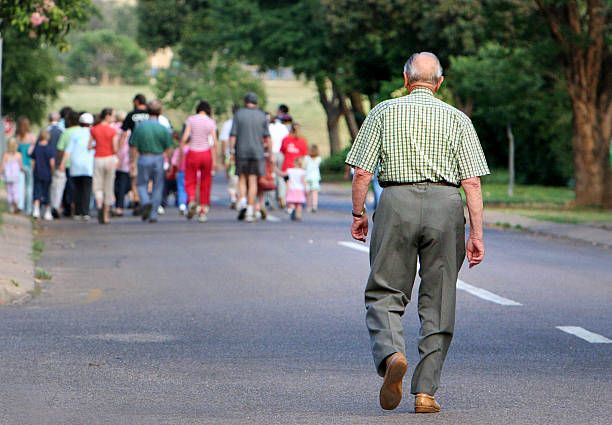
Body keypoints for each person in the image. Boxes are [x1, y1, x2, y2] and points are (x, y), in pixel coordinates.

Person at [345, 52, 490, 413]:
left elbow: (362, 172)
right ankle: (425, 393)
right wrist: (476, 234)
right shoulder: (458, 119)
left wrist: (359, 212)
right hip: (446, 206)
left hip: (396, 203)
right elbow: (471, 182)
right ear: (439, 83)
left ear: (406, 79)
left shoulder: (382, 112)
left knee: (384, 291)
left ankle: (393, 353)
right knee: (439, 299)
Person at [229, 93, 272, 222]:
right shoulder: (262, 115)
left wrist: (231, 152)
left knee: (242, 178)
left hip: (241, 151)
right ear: (256, 103)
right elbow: (268, 137)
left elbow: (233, 135)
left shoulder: (239, 115)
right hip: (257, 152)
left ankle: (242, 199)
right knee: (253, 180)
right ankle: (250, 209)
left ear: (245, 102)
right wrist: (271, 154)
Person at [129, 100, 173, 223]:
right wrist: (169, 162)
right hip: (158, 158)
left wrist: (132, 161)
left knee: (141, 184)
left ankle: (146, 202)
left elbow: (133, 146)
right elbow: (169, 148)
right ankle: (153, 214)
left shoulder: (140, 127)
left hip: (144, 157)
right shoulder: (163, 128)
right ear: (160, 111)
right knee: (158, 186)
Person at [179, 100, 218, 223]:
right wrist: (215, 161)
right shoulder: (211, 122)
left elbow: (185, 137)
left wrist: (181, 151)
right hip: (206, 153)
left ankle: (191, 200)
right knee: (206, 182)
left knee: (190, 179)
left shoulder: (191, 120)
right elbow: (214, 142)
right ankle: (203, 210)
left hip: (193, 152)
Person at [60, 113, 95, 220]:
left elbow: (68, 150)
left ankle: (77, 212)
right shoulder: (92, 133)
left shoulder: (74, 133)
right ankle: (85, 212)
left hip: (75, 164)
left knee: (77, 188)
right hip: (88, 164)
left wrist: (62, 163)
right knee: (87, 189)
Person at [120, 94, 149, 215]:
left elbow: (124, 133)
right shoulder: (150, 114)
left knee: (134, 176)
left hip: (135, 148)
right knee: (147, 177)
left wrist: (119, 149)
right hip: (149, 149)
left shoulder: (131, 115)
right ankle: (146, 200)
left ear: (136, 102)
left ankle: (137, 200)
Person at [91, 108, 119, 224]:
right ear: (107, 116)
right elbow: (115, 148)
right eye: (113, 116)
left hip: (98, 158)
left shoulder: (94, 130)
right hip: (109, 158)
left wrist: (96, 147)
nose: (114, 118)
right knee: (109, 186)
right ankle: (106, 215)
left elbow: (90, 145)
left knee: (98, 185)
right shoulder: (112, 131)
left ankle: (99, 205)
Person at [55, 111, 80, 217]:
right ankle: (78, 206)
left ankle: (69, 206)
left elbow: (60, 149)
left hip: (68, 163)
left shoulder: (66, 132)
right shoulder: (82, 131)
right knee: (79, 186)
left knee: (68, 186)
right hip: (81, 162)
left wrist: (59, 161)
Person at [30, 129, 57, 220]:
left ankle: (36, 210)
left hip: (37, 172)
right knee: (47, 192)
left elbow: (33, 162)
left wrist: (33, 171)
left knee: (37, 191)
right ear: (48, 138)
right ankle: (47, 212)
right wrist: (53, 171)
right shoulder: (50, 149)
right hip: (47, 173)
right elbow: (52, 162)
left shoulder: (36, 148)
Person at [15, 117, 36, 215]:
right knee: (29, 187)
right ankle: (29, 209)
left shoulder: (17, 137)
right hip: (29, 164)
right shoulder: (32, 137)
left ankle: (20, 205)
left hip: (19, 164)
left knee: (20, 186)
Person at [268, 111, 290, 208]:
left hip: (271, 153)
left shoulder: (269, 127)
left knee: (272, 177)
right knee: (281, 176)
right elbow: (286, 140)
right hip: (281, 153)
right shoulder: (283, 127)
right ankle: (282, 196)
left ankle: (272, 201)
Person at [220, 104, 239, 209]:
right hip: (241, 154)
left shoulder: (227, 124)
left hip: (230, 153)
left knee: (231, 176)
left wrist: (223, 155)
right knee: (240, 177)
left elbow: (224, 141)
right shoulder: (241, 123)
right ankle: (239, 197)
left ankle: (233, 197)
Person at [276, 156, 306, 221]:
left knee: (291, 203)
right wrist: (306, 188)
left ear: (295, 163)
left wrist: (275, 169)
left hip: (292, 189)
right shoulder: (302, 172)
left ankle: (291, 209)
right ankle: (298, 216)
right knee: (299, 205)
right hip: (300, 190)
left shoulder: (290, 171)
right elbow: (303, 181)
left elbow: (282, 174)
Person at [113, 110, 130, 217]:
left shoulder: (113, 128)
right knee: (123, 182)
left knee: (114, 182)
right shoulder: (128, 129)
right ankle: (120, 206)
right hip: (126, 157)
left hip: (114, 156)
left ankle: (113, 204)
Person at [0, 138, 25, 213]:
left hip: (8, 176)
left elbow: (2, 166)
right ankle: (16, 201)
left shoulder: (6, 155)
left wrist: (0, 173)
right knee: (16, 190)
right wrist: (24, 171)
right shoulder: (18, 155)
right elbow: (21, 166)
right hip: (16, 176)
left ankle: (11, 205)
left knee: (9, 191)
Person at [171, 138, 189, 214]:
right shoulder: (193, 149)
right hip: (193, 172)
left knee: (181, 188)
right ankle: (190, 203)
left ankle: (182, 205)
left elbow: (174, 162)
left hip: (181, 171)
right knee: (191, 188)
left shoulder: (178, 150)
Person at [304, 144, 322, 212]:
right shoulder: (319, 159)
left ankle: (308, 206)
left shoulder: (306, 158)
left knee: (308, 193)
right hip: (315, 177)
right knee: (315, 193)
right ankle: (314, 206)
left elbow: (304, 167)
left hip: (307, 177)